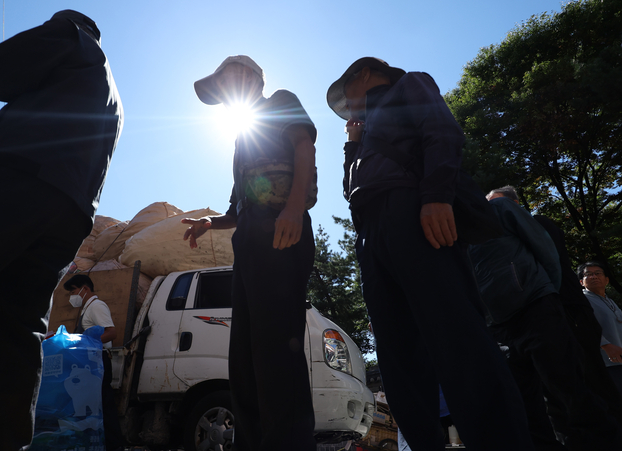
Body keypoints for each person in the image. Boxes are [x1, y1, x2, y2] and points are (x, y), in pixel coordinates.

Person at [0, 10, 123, 450]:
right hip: (69, 216)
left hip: (20, 176)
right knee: (15, 334)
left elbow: (1, 70)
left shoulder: (72, 38)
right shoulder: (113, 98)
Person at [325, 57, 534, 451]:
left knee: (457, 335)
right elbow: (351, 191)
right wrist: (352, 146)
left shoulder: (410, 86)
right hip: (372, 234)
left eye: (346, 93)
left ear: (365, 74)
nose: (346, 106)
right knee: (396, 352)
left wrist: (436, 196)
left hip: (415, 211)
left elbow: (442, 133)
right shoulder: (364, 132)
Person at [184, 55, 317, 451]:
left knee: (277, 348)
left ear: (250, 77)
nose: (225, 90)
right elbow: (236, 208)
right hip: (250, 242)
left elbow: (304, 146)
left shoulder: (280, 100)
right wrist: (210, 224)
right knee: (244, 357)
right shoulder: (242, 136)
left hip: (281, 229)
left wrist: (294, 209)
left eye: (228, 79)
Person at [469, 190, 621, 450]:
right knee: (529, 403)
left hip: (536, 308)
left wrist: (544, 293)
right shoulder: (452, 234)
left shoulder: (500, 210)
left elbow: (545, 249)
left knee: (569, 388)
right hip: (498, 327)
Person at [64, 274, 126, 451]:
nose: (72, 296)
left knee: (104, 405)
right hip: (89, 364)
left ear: (85, 289)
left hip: (98, 362)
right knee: (95, 406)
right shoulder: (87, 309)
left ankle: (115, 445)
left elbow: (111, 332)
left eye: (73, 291)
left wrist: (86, 343)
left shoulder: (97, 306)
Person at [579, 261, 622, 396]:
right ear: (581, 282)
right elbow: (581, 325)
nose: (594, 277)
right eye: (588, 274)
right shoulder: (582, 300)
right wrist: (605, 345)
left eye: (598, 273)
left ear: (607, 280)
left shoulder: (610, 301)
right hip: (603, 363)